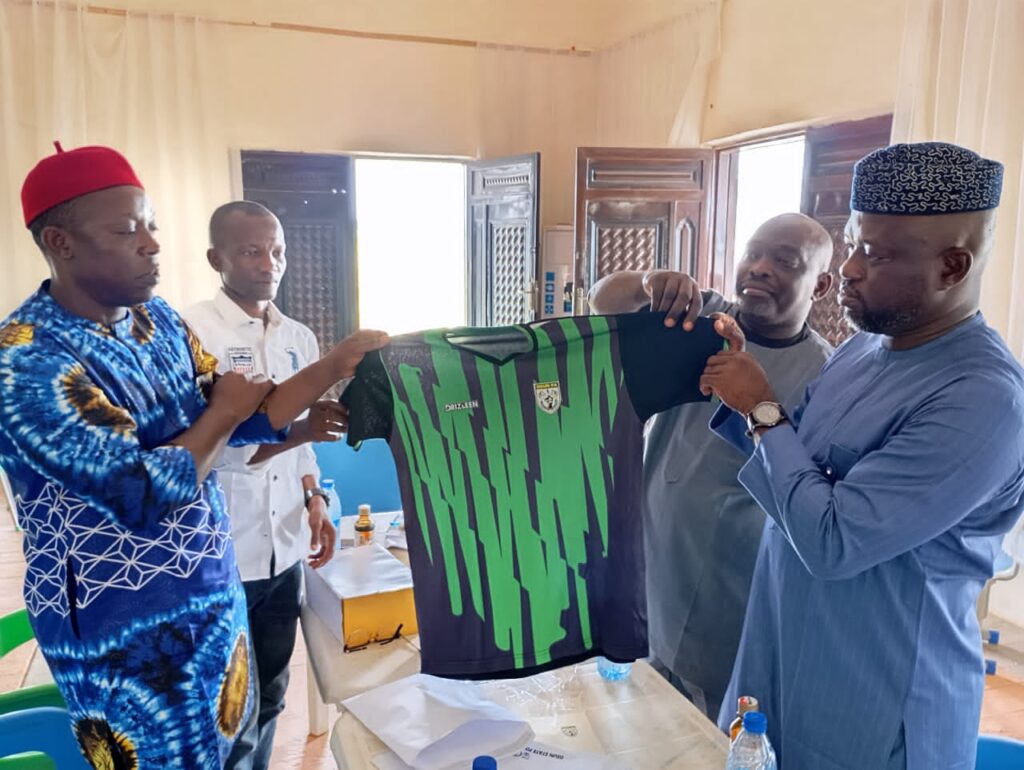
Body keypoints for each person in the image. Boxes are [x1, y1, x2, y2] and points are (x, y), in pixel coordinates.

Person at [0, 144, 386, 769]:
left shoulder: (155, 322)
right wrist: (226, 413)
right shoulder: (26, 360)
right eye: (127, 230)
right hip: (123, 633)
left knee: (241, 743)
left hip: (211, 595)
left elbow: (249, 416)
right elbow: (144, 492)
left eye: (151, 225)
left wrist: (334, 364)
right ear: (60, 242)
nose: (152, 244)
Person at [699, 142, 1024, 769]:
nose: (848, 269)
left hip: (879, 699)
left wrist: (761, 408)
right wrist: (742, 398)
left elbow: (833, 540)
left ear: (952, 266)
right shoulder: (863, 350)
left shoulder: (981, 398)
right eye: (851, 243)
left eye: (873, 253)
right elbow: (793, 466)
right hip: (780, 657)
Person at [588, 213, 834, 719]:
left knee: (710, 724)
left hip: (733, 584)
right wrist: (650, 281)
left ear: (821, 284)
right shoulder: (702, 319)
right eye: (752, 254)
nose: (760, 268)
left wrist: (758, 404)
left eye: (785, 261)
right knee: (631, 712)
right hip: (654, 559)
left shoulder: (825, 375)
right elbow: (605, 300)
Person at [183, 201, 347, 769]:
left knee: (273, 691)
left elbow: (303, 445)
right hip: (224, 552)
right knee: (227, 708)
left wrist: (314, 496)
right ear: (217, 258)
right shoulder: (192, 333)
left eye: (276, 251)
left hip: (285, 549)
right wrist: (298, 430)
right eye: (251, 251)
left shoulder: (297, 336)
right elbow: (220, 450)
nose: (268, 264)